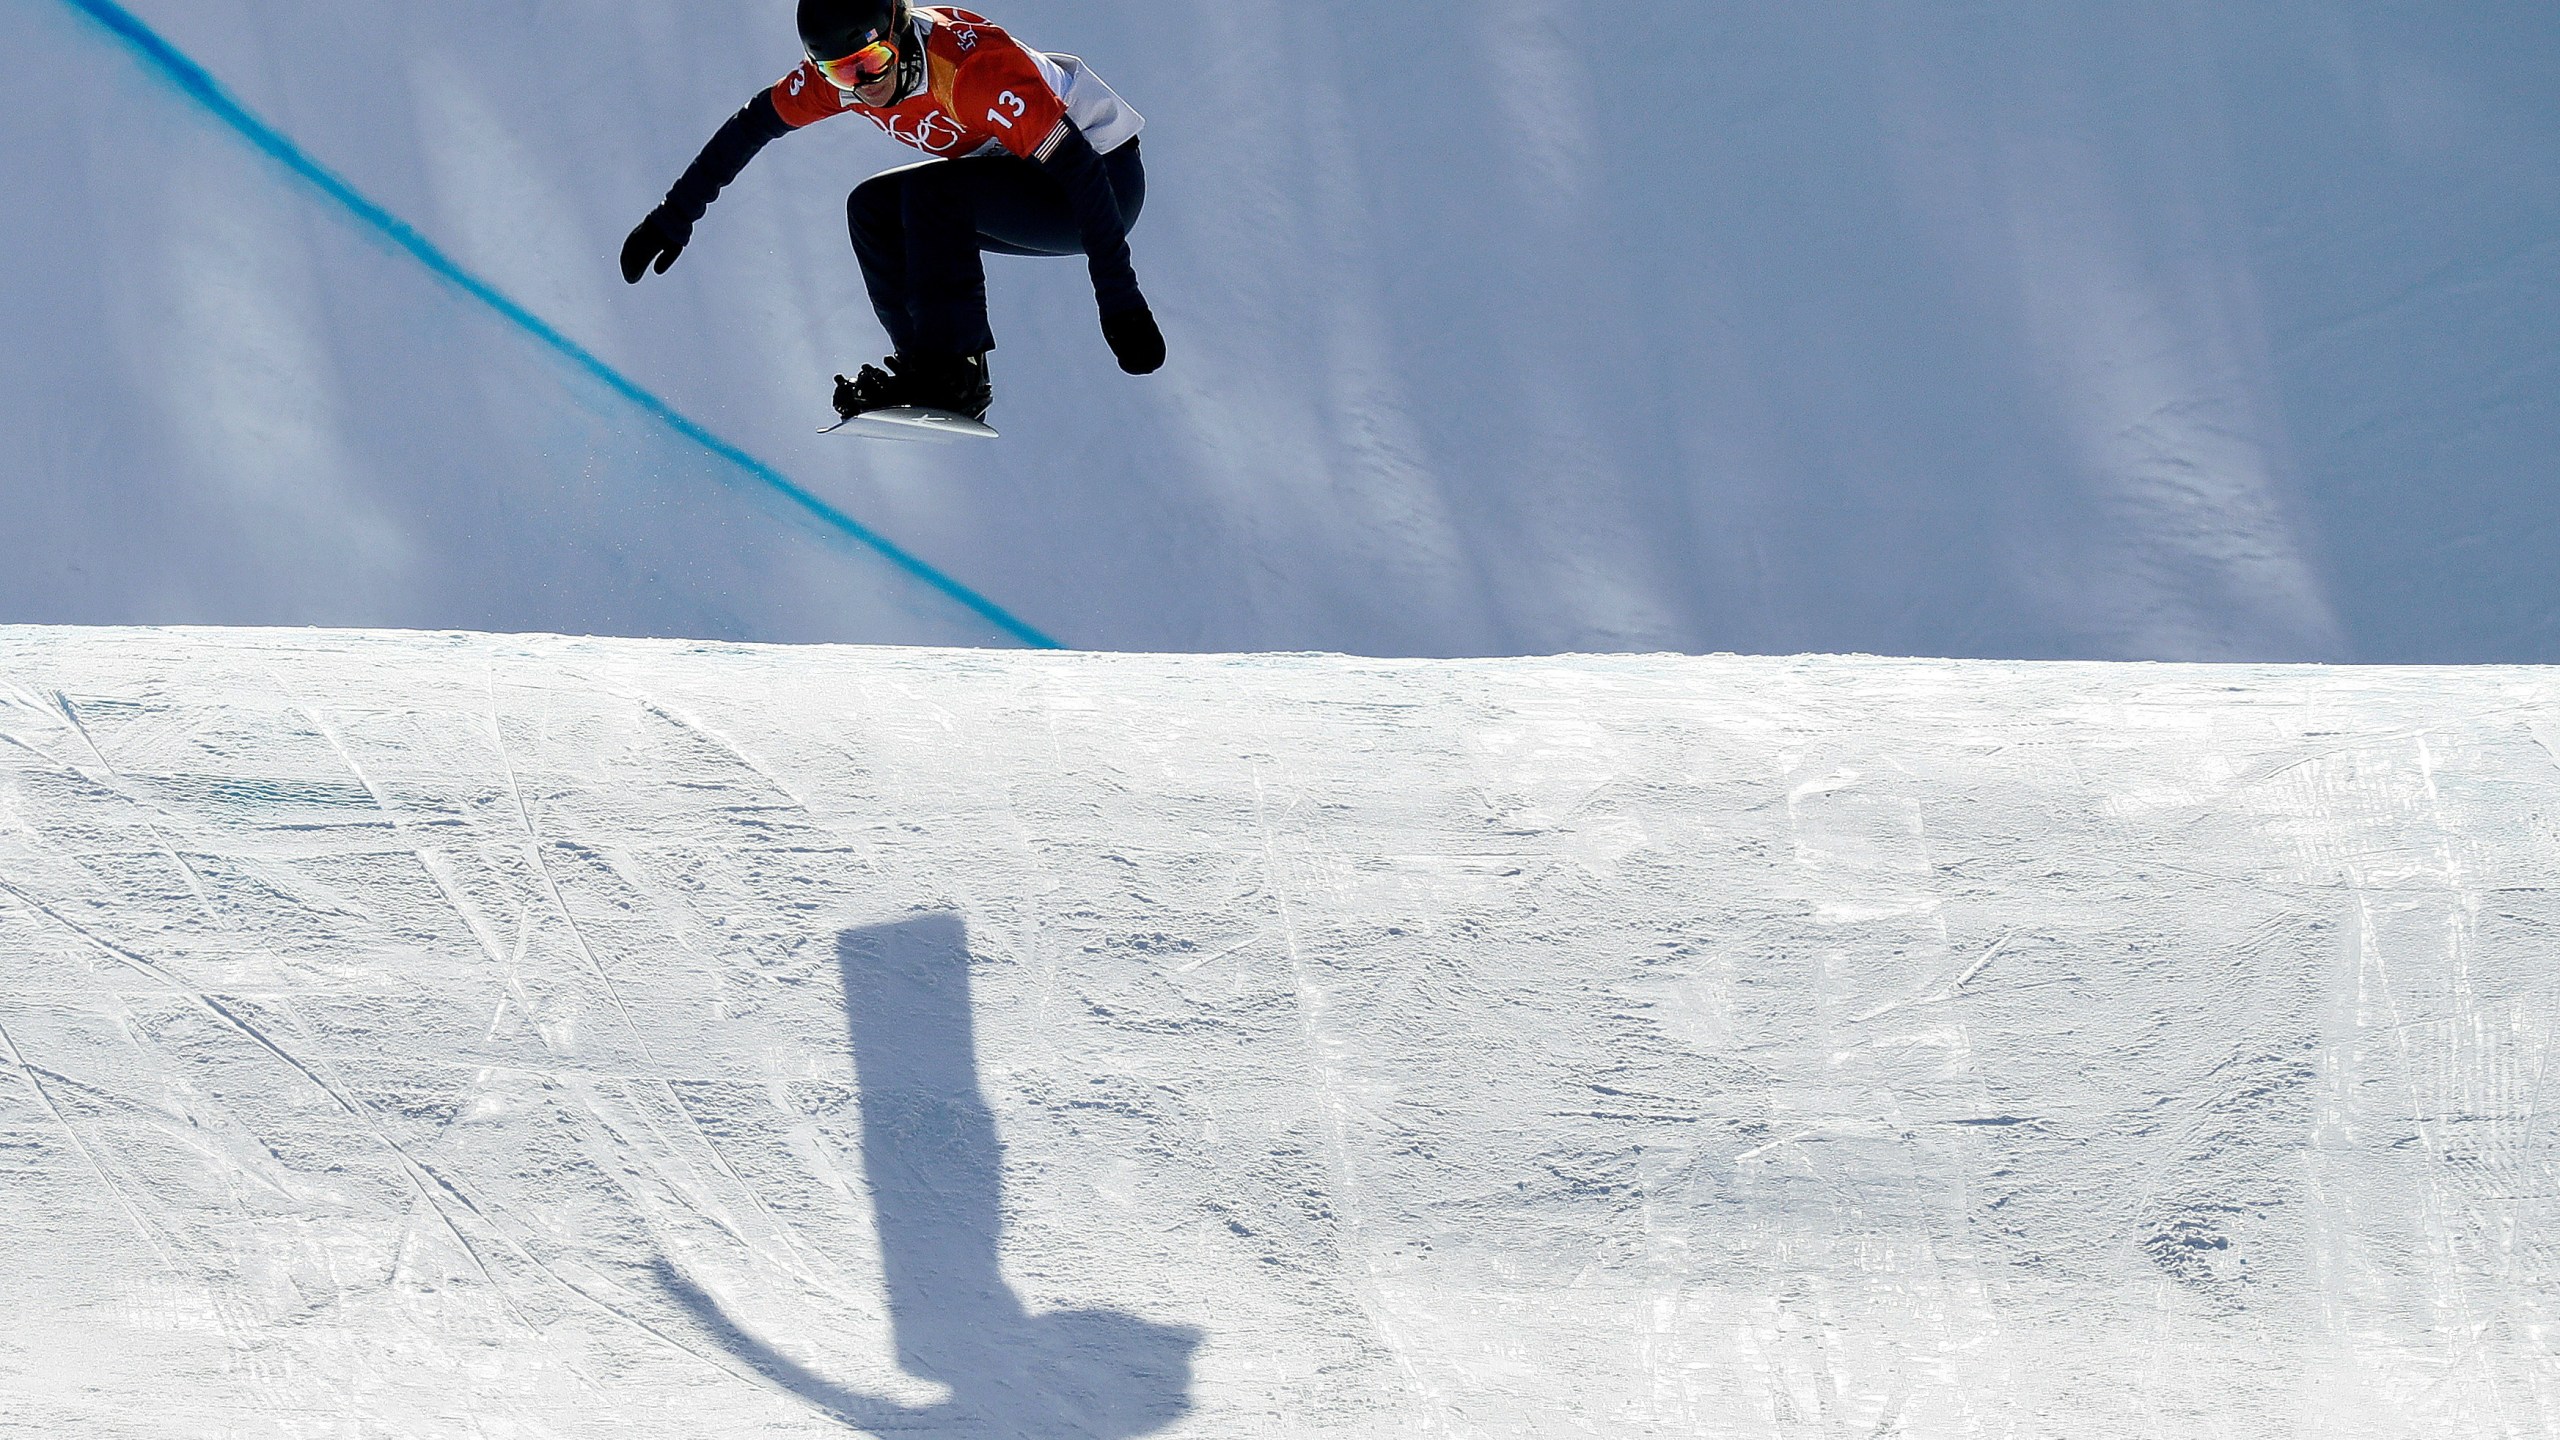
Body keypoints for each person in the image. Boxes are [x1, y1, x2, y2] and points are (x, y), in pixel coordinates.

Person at [620, 0, 1163, 424]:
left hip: (1101, 181)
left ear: (900, 33)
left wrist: (1121, 304)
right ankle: (928, 371)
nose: (864, 85)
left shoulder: (970, 72)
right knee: (873, 208)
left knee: (934, 195)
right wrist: (674, 215)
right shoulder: (847, 81)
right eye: (839, 73)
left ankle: (957, 375)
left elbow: (1081, 172)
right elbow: (753, 124)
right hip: (1024, 173)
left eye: (873, 62)